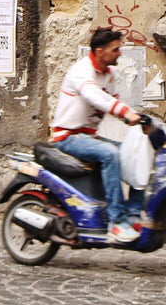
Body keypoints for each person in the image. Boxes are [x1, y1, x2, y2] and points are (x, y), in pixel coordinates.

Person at [51, 27, 143, 243]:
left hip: (89, 138)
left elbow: (115, 103)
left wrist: (139, 119)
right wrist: (125, 113)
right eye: (115, 50)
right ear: (100, 51)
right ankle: (116, 222)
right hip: (68, 137)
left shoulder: (109, 75)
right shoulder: (81, 72)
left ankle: (133, 213)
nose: (119, 53)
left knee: (136, 154)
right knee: (110, 154)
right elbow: (96, 98)